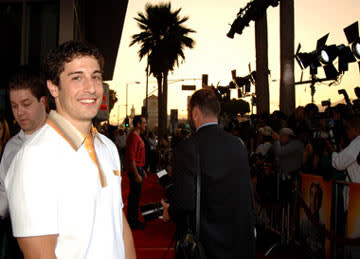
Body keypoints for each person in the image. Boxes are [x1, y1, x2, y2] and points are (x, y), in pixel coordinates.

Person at [5, 41, 136, 259]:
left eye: (95, 76)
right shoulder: (34, 158)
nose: (92, 88)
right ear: (53, 87)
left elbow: (119, 226)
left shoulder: (108, 147)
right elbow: (39, 254)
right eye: (77, 77)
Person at [161, 88, 255, 259]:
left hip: (206, 246)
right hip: (240, 243)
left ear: (195, 112)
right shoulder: (239, 145)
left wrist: (170, 211)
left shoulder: (187, 148)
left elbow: (184, 202)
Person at [125, 115, 147, 230]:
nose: (145, 124)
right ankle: (132, 221)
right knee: (134, 197)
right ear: (138, 124)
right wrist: (136, 173)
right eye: (143, 122)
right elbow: (131, 157)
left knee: (136, 197)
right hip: (135, 169)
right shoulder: (134, 137)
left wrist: (142, 170)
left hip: (138, 168)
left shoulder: (137, 136)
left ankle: (133, 219)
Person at [300, 182, 325, 259]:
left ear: (320, 201)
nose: (313, 200)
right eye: (311, 195)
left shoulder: (323, 225)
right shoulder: (303, 221)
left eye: (316, 196)